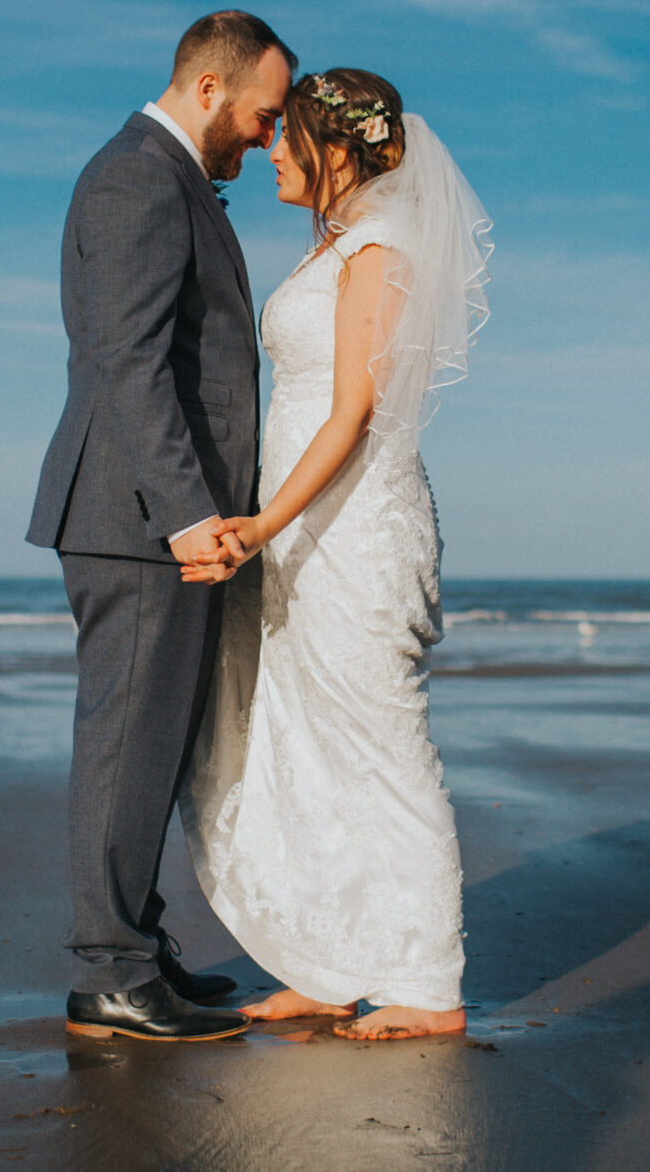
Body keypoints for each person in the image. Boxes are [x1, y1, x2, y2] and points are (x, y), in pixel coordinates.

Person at [178, 68, 493, 1040]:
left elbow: (353, 412)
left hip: (351, 531)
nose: (272, 147)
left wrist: (264, 526)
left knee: (380, 746)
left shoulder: (384, 249)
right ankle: (326, 963)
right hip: (302, 528)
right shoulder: (339, 249)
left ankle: (427, 985)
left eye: (289, 136)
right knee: (303, 745)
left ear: (339, 148)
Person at [27, 10, 296, 1043]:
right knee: (124, 744)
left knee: (150, 746)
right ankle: (110, 974)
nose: (270, 139)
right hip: (138, 518)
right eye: (265, 116)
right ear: (211, 88)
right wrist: (187, 515)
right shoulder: (141, 173)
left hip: (150, 515)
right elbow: (130, 363)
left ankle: (135, 950)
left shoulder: (164, 173)